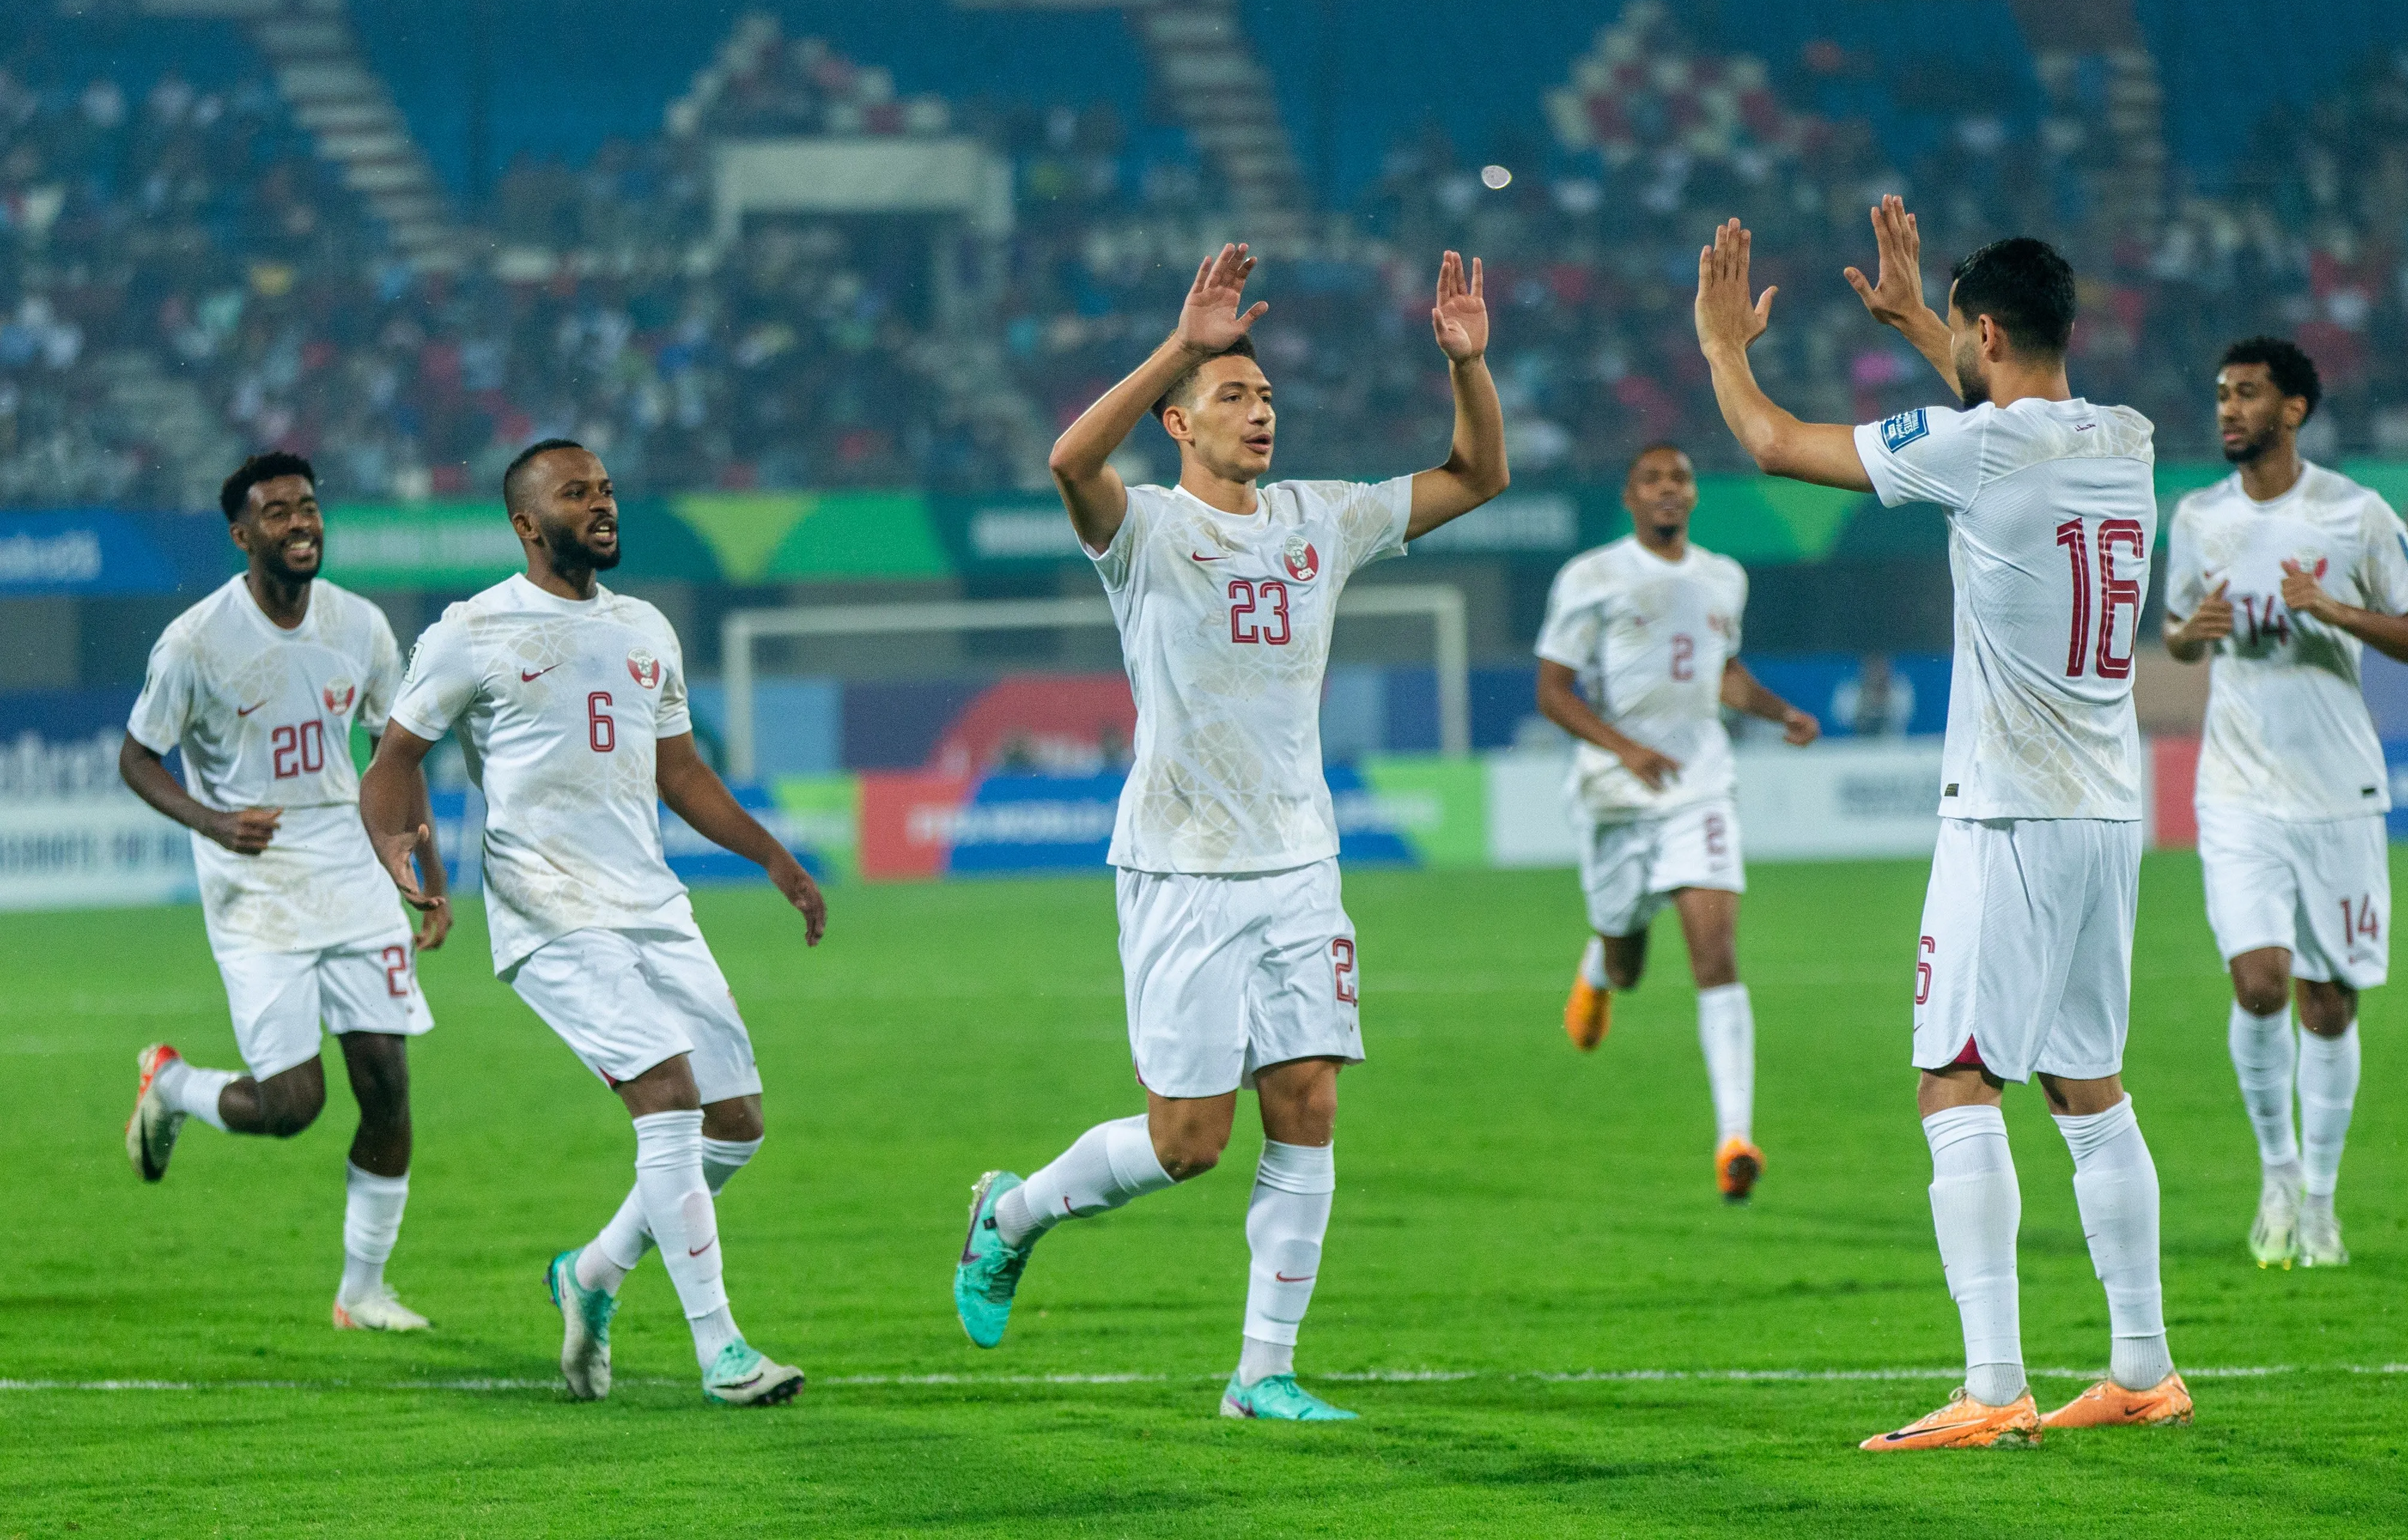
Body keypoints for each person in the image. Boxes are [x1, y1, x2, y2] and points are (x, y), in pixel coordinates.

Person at [952, 244, 1507, 1420]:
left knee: (1306, 1102)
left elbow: (1477, 473)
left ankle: (1261, 1370)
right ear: (1178, 420)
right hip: (1181, 866)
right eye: (1230, 396)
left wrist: (1467, 364)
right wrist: (1180, 338)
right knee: (1187, 1141)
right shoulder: (1142, 531)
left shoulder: (1324, 518)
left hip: (1301, 863)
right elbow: (1066, 458)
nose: (1259, 414)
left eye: (1263, 395)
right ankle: (1010, 1213)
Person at [1696, 198, 2190, 1448]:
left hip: (2005, 810)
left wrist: (1717, 347)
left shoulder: (1975, 450)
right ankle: (2140, 1366)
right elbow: (2002, 418)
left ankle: (1990, 1384)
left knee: (1954, 1077)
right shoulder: (2123, 436)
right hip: (2103, 807)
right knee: (2087, 1085)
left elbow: (1767, 444)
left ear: (1986, 333)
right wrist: (1924, 320)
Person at [360, 440, 826, 1408]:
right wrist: (404, 854)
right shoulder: (475, 629)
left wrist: (773, 855)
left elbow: (682, 773)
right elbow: (393, 760)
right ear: (528, 523)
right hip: (548, 910)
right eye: (578, 493)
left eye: (608, 489)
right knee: (667, 1093)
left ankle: (593, 1276)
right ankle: (722, 1350)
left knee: (734, 1126)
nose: (604, 505)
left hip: (651, 905)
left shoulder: (648, 628)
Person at [120, 451, 448, 1332]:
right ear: (242, 535)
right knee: (292, 1106)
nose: (300, 524)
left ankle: (363, 1290)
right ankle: (174, 1083)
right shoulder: (194, 642)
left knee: (387, 1086)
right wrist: (214, 820)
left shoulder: (362, 625)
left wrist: (430, 876)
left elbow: (398, 753)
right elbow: (137, 756)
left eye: (308, 508)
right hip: (256, 890)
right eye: (277, 513)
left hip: (351, 868)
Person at [2163, 337, 2408, 1268]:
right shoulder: (2197, 518)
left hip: (2338, 794)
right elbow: (2180, 634)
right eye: (2220, 394)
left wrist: (2336, 611)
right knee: (2260, 982)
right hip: (2238, 789)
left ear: (2294, 410)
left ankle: (2321, 1200)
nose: (2227, 410)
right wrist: (2188, 635)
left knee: (2328, 1004)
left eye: (2246, 394)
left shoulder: (2354, 514)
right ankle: (2278, 1173)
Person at [1538, 440, 1820, 1201]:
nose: (1668, 490)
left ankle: (1735, 1136)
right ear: (1629, 499)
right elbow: (1553, 691)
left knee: (1715, 954)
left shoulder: (1724, 577)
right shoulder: (1591, 578)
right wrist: (1625, 749)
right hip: (1615, 793)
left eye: (1680, 479)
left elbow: (1721, 671)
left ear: (1694, 496)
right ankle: (1600, 964)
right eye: (1652, 480)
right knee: (1628, 960)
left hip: (1700, 787)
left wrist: (1779, 712)